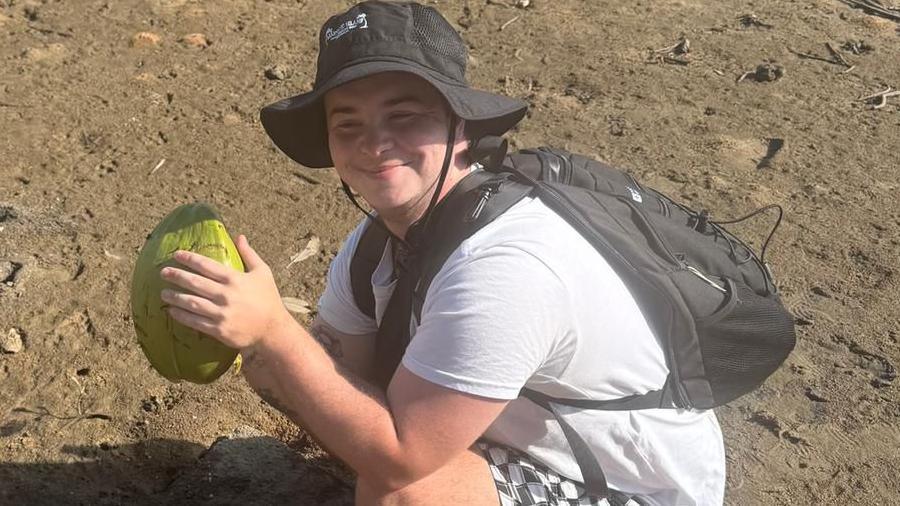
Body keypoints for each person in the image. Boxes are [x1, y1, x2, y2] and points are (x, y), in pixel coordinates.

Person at [158, 1, 726, 504]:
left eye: (404, 117)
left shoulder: (505, 267)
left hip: (632, 487)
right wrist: (242, 336)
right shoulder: (376, 243)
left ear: (461, 127)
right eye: (347, 123)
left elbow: (400, 457)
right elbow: (343, 379)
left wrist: (276, 334)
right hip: (507, 437)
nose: (374, 144)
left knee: (406, 491)